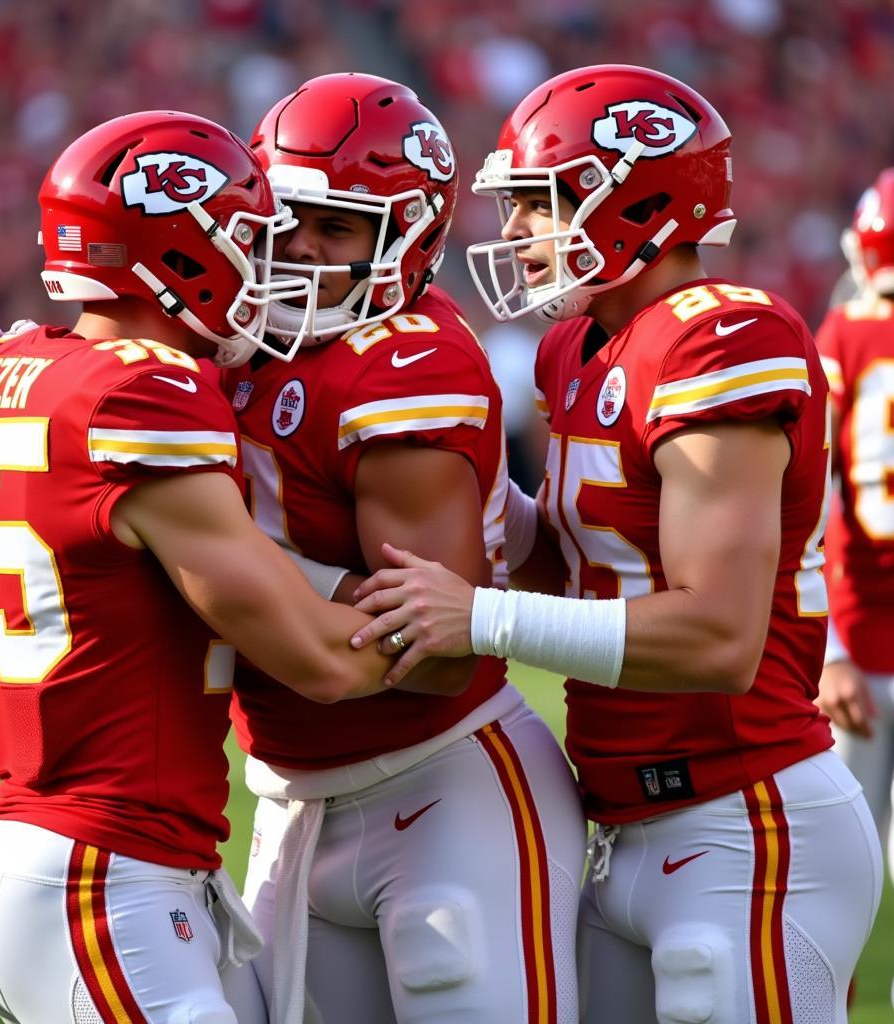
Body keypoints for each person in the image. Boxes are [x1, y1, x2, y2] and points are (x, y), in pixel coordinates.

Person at [349, 65, 883, 1023]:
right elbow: (578, 556)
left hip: (745, 812)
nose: (513, 232)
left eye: (539, 202)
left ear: (634, 201)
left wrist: (478, 618)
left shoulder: (723, 340)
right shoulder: (577, 346)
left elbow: (719, 638)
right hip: (627, 820)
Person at [0, 110, 403, 1024]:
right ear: (178, 254)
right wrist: (477, 614)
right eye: (245, 241)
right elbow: (326, 663)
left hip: (58, 860)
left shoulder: (4, 369)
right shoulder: (145, 391)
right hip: (102, 877)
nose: (264, 268)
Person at [226, 73, 586, 1024]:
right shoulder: (229, 336)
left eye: (334, 227)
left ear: (405, 239)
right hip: (290, 796)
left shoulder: (403, 366)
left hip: (438, 783)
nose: (298, 247)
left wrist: (222, 567)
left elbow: (425, 657)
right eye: (284, 216)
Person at [815, 169, 894, 885]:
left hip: (858, 632)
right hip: (861, 640)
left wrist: (828, 646)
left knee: (837, 872)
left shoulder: (845, 334)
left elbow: (813, 497)